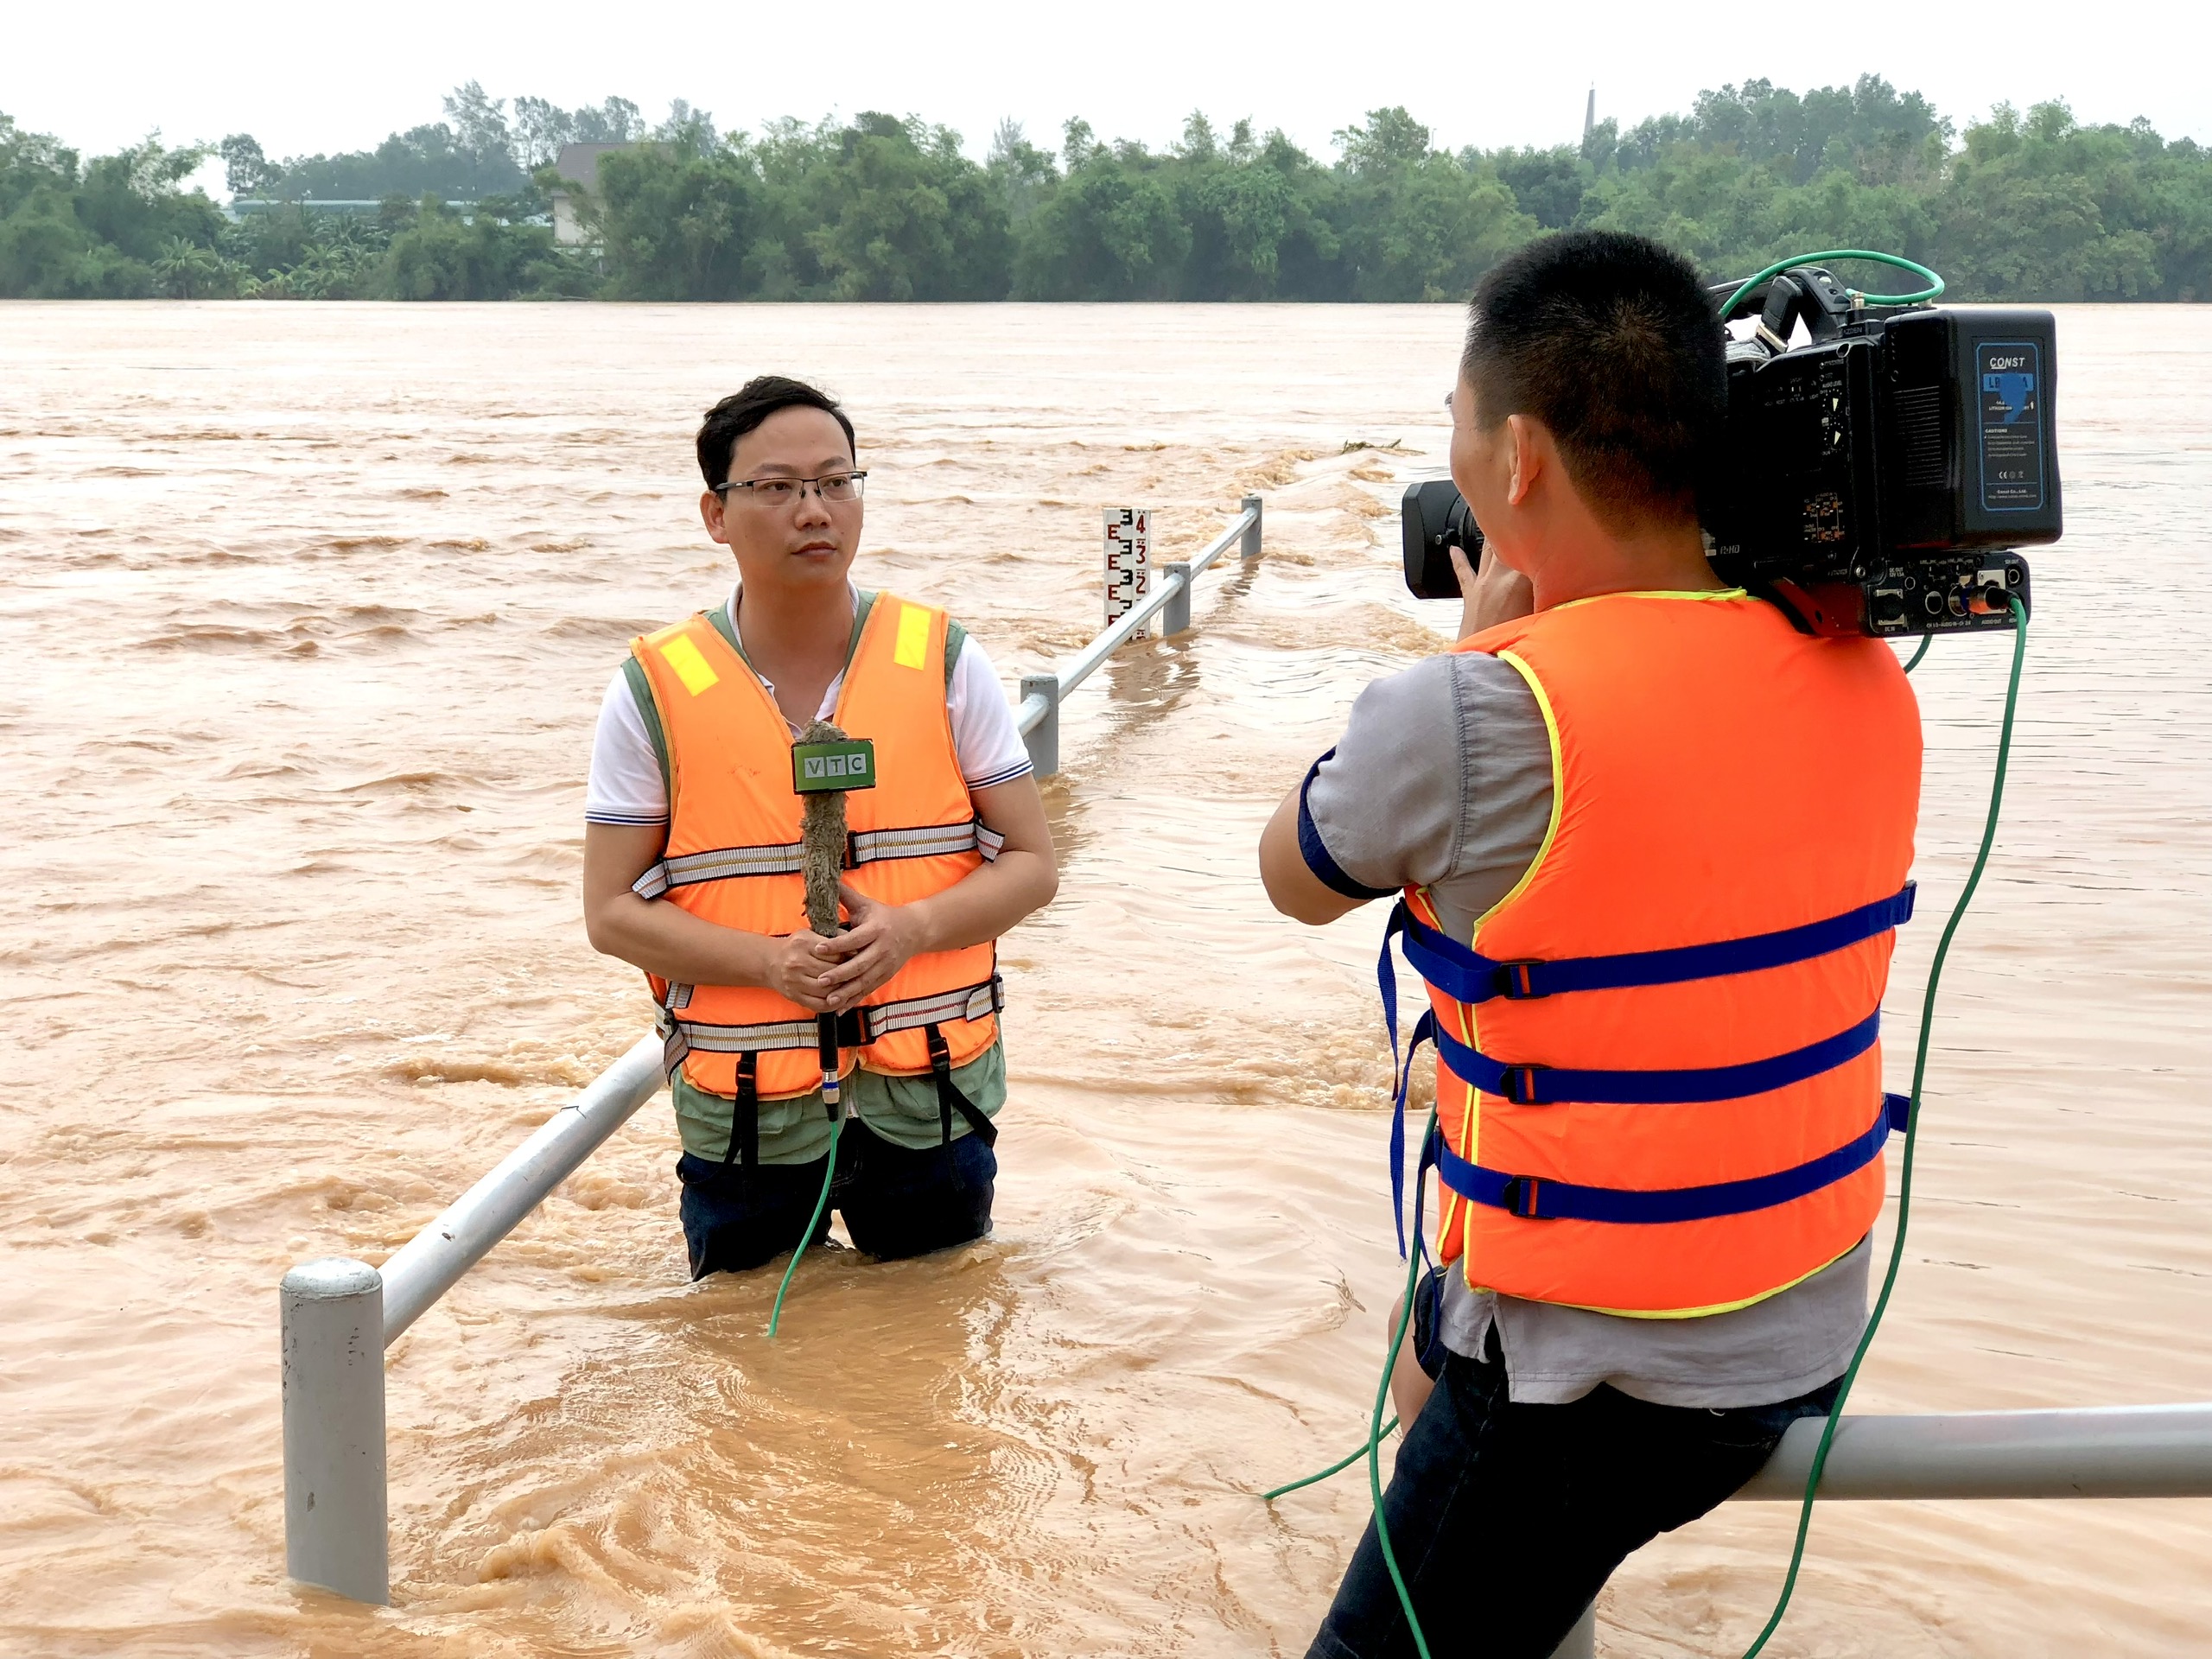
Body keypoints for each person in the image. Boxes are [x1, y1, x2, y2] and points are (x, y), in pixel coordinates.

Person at [1257, 231, 1923, 1658]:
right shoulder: (1868, 668)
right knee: (1431, 1351)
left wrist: (1472, 658)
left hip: (1595, 1398)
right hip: (1802, 1335)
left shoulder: (1477, 711)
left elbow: (1295, 876)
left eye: (1458, 429)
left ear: (1521, 461)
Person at [583, 375, 1058, 1278]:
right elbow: (610, 913)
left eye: (836, 482)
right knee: (746, 1378)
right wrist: (768, 962)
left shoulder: (942, 660)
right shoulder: (654, 687)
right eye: (776, 487)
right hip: (749, 1124)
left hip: (929, 1105)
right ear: (715, 515)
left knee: (931, 1354)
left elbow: (1033, 865)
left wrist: (910, 930)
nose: (814, 510)